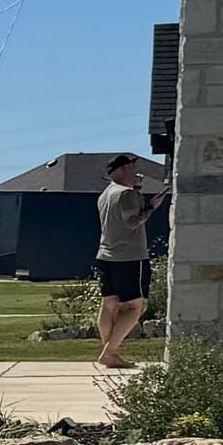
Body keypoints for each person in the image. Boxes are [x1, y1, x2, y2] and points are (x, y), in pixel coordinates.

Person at [95, 155, 155, 369]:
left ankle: (109, 351)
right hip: (130, 257)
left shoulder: (105, 194)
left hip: (105, 255)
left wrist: (137, 190)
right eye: (130, 167)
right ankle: (109, 352)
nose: (135, 171)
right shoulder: (127, 194)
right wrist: (151, 207)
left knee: (109, 304)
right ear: (120, 170)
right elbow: (132, 222)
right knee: (136, 306)